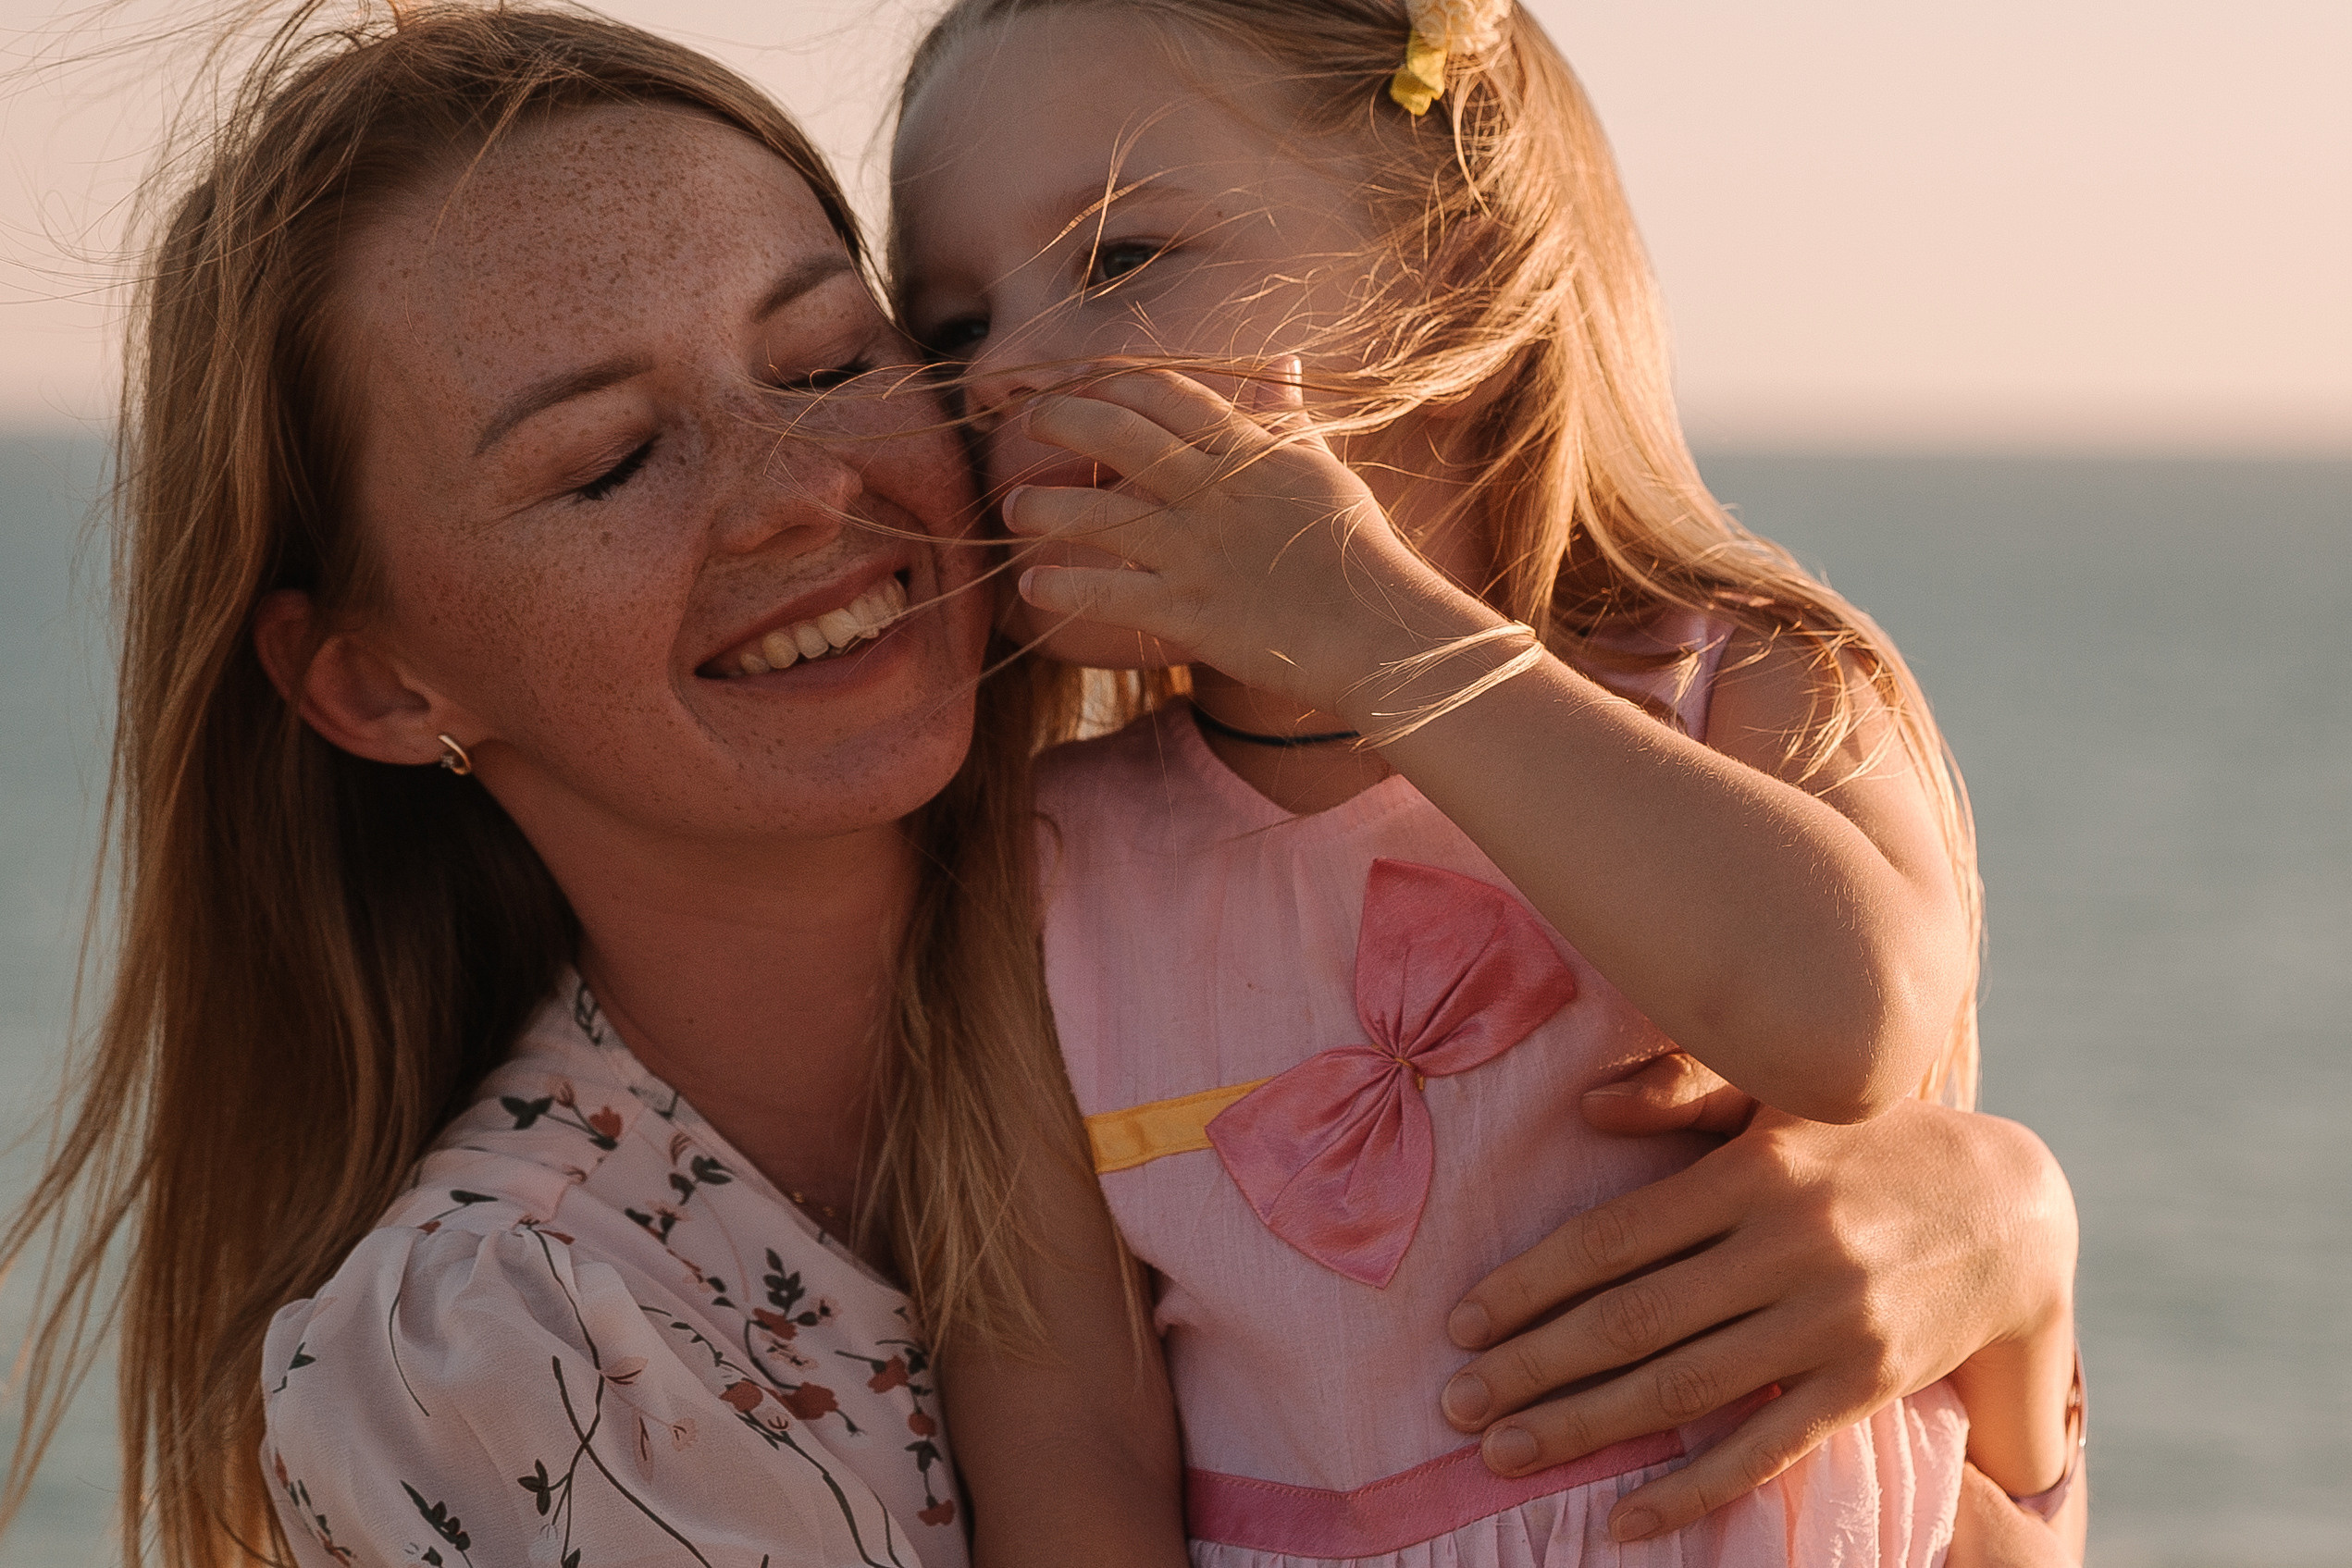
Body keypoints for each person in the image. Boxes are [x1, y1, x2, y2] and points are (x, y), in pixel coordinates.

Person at [0, 6, 2079, 1567]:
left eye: (833, 355)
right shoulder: (513, 1350)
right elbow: (1065, 1418)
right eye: (608, 461)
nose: (815, 485)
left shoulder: (1674, 711)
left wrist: (2003, 1237)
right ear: (376, 678)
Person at [889, 0, 2085, 1562]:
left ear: (1446, 263)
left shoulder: (1739, 677)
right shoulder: (1040, 867)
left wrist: (1380, 633)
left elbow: (1849, 1023)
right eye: (950, 329)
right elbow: (1067, 1432)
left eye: (1119, 259)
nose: (1009, 370)